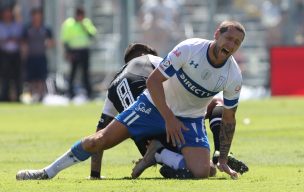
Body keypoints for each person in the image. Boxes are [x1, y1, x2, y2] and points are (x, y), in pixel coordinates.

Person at [16, 20, 245, 180]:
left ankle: (160, 154)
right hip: (152, 106)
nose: (231, 45)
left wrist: (223, 158)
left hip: (190, 118)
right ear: (217, 34)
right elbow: (153, 82)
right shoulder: (189, 49)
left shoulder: (233, 75)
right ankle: (47, 172)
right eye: (229, 38)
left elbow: (230, 118)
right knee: (98, 141)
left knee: (202, 172)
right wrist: (168, 118)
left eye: (237, 43)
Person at [90, 44, 248, 179]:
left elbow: (100, 133)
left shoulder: (113, 86)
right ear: (145, 54)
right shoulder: (150, 60)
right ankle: (218, 152)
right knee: (216, 103)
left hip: (145, 141)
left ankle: (164, 157)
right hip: (170, 123)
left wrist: (95, 174)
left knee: (206, 169)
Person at [60, 7, 97, 99]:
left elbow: (92, 35)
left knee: (85, 73)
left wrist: (84, 27)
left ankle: (89, 93)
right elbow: (65, 40)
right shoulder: (69, 23)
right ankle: (70, 93)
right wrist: (67, 52)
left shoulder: (86, 22)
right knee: (73, 72)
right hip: (74, 50)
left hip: (84, 50)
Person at [22, 7, 54, 102]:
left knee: (41, 78)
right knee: (31, 79)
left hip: (41, 56)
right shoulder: (27, 28)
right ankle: (32, 96)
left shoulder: (46, 28)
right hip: (31, 56)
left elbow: (52, 41)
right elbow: (23, 42)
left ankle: (40, 96)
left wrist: (48, 43)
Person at [0, 6, 23, 102]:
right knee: (5, 77)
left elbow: (21, 38)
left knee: (17, 76)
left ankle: (17, 96)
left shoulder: (16, 25)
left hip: (15, 54)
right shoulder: (1, 25)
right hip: (4, 54)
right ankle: (4, 97)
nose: (8, 15)